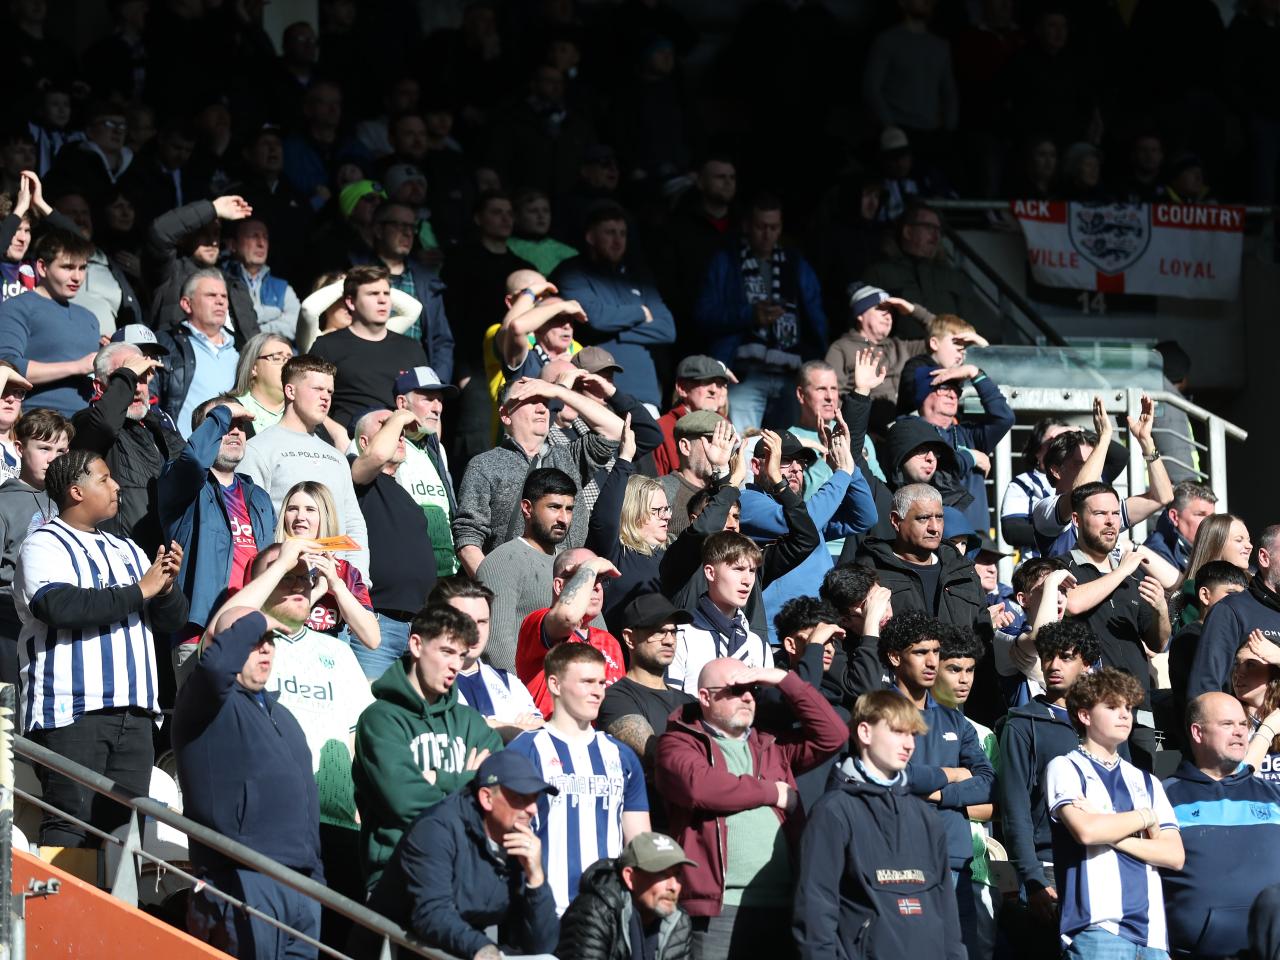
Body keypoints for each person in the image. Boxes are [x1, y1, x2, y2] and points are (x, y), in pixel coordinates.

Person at [16, 450, 188, 846]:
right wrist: (141, 589)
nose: (116, 486)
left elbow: (170, 620)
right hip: (72, 709)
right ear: (76, 491)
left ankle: (115, 907)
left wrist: (165, 588)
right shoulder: (43, 543)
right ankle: (60, 910)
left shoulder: (126, 548)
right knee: (71, 821)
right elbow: (59, 606)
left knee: (123, 834)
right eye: (105, 479)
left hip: (136, 712)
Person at [654, 656, 846, 958]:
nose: (746, 697)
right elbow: (700, 786)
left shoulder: (772, 745)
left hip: (784, 905)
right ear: (704, 697)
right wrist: (772, 793)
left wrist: (784, 679)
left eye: (753, 690)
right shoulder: (678, 742)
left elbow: (833, 735)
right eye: (735, 690)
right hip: (718, 910)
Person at [173, 606, 323, 960]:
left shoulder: (283, 716)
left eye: (270, 640)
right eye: (253, 640)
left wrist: (316, 878)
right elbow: (212, 669)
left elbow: (307, 805)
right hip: (239, 881)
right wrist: (259, 619)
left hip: (301, 886)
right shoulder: (204, 704)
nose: (266, 647)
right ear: (222, 645)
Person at [793, 690, 965, 960]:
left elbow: (947, 913)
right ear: (865, 732)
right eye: (898, 732)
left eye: (912, 734)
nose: (909, 744)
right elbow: (815, 912)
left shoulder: (926, 816)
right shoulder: (833, 812)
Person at [351, 604, 502, 893]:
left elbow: (501, 797)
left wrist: (440, 780)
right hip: (401, 874)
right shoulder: (380, 720)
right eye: (446, 651)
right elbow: (404, 802)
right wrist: (470, 781)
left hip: (469, 874)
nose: (456, 665)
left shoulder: (471, 723)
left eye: (461, 655)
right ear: (417, 645)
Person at [359, 751, 560, 960]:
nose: (533, 809)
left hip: (458, 949)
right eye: (520, 798)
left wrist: (535, 878)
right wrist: (483, 948)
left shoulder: (521, 843)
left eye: (535, 798)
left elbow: (542, 945)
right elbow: (431, 915)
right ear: (487, 798)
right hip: (397, 948)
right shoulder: (436, 829)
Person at [1045, 668, 1185, 958]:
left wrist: (1107, 827)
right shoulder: (1065, 767)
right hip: (1098, 930)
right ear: (1085, 716)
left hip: (1154, 937)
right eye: (1112, 707)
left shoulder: (1147, 781)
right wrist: (1145, 818)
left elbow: (1174, 856)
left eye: (1128, 708)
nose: (1125, 715)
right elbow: (1087, 832)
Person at [880, 611, 996, 960]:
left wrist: (938, 793)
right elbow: (893, 775)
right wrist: (953, 773)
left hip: (955, 861)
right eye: (920, 652)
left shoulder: (954, 719)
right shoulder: (878, 709)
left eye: (935, 652)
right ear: (895, 657)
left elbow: (988, 784)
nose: (932, 662)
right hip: (899, 858)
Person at [507, 642, 651, 915]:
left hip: (608, 910)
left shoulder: (622, 756)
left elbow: (639, 842)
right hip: (546, 909)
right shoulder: (525, 749)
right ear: (555, 684)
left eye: (601, 682)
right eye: (587, 682)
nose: (597, 691)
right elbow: (508, 834)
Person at [997, 619, 1102, 952]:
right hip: (1049, 870)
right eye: (1048, 656)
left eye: (1066, 657)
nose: (1054, 665)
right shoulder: (1022, 723)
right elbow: (1015, 809)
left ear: (1086, 663)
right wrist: (1033, 878)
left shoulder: (1106, 721)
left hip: (1102, 866)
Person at [158, 394, 275, 684]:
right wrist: (221, 413)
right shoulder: (182, 484)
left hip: (256, 634)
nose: (234, 431)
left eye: (240, 425)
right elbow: (195, 459)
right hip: (201, 633)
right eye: (225, 424)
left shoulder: (258, 496)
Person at [453, 374, 620, 576]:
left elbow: (615, 430)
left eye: (545, 401)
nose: (542, 408)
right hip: (513, 589)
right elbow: (468, 537)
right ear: (506, 414)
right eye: (531, 400)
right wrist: (495, 587)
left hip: (565, 587)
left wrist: (558, 391)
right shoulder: (484, 465)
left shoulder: (569, 457)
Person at [1160, 692, 1280, 960]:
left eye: (1243, 725)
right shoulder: (1163, 796)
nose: (1239, 733)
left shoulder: (1274, 795)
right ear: (1197, 732)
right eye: (1227, 724)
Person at [694, 194, 828, 434]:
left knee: (790, 450)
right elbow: (704, 314)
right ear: (747, 226)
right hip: (743, 373)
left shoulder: (794, 263)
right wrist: (749, 315)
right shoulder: (727, 261)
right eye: (761, 226)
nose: (767, 233)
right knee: (743, 448)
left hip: (789, 372)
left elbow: (815, 315)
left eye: (773, 227)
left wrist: (817, 355)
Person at [1062, 483, 1172, 768]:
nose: (1111, 521)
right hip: (1093, 708)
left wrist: (1160, 610)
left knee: (1143, 795)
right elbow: (1072, 603)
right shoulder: (1062, 567)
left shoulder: (1133, 581)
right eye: (1100, 513)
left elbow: (1157, 643)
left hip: (1139, 710)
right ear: (1076, 519)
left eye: (1115, 514)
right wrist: (1122, 569)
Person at [739, 420, 876, 644]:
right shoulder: (748, 501)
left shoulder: (806, 513)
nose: (796, 468)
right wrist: (841, 475)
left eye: (801, 462)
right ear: (756, 466)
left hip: (825, 628)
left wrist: (849, 465)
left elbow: (864, 517)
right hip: (779, 637)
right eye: (784, 460)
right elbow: (801, 524)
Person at [239, 355, 370, 577]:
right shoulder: (258, 449)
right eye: (317, 389)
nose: (325, 398)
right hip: (286, 583)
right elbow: (250, 525)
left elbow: (354, 524)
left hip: (338, 585)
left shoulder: (336, 457)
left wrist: (359, 580)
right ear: (290, 391)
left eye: (329, 391)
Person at [550, 201, 676, 412]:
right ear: (590, 237)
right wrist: (641, 313)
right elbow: (594, 318)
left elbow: (667, 329)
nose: (618, 240)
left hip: (644, 394)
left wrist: (615, 332)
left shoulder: (639, 275)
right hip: (594, 393)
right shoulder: (572, 272)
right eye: (610, 232)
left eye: (622, 233)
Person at [72, 339, 184, 555]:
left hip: (163, 558)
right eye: (124, 379)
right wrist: (128, 373)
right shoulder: (84, 421)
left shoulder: (159, 427)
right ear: (99, 386)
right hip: (114, 559)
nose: (136, 388)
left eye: (141, 378)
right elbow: (104, 426)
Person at [1032, 395, 1173, 559]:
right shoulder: (1044, 510)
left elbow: (1162, 497)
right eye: (1082, 464)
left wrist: (1146, 442)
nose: (1094, 469)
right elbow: (1080, 494)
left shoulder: (1106, 514)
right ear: (1056, 471)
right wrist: (1104, 436)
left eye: (1094, 461)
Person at [596, 593, 696, 811]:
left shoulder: (689, 702)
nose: (669, 640)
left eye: (673, 632)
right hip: (649, 825)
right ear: (630, 638)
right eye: (659, 631)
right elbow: (655, 752)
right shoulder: (615, 698)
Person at [855, 483, 990, 637]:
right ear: (895, 520)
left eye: (939, 517)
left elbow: (984, 640)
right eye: (923, 518)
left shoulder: (963, 571)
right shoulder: (870, 573)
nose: (934, 527)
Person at [476, 468, 579, 671]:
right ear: (527, 508)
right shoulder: (503, 561)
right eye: (554, 507)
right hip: (525, 693)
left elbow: (597, 634)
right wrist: (523, 698)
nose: (563, 519)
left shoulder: (573, 562)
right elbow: (497, 646)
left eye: (569, 509)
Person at [309, 265, 429, 429]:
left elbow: (428, 404)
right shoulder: (327, 346)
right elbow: (309, 402)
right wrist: (337, 434)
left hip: (403, 443)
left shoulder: (412, 348)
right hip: (347, 444)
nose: (383, 300)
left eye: (387, 294)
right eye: (373, 294)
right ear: (351, 302)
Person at [0, 409, 70, 686]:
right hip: (10, 622)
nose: (53, 458)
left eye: (61, 450)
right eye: (43, 448)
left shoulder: (69, 502)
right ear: (19, 448)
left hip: (61, 622)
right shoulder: (5, 503)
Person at [514, 548, 627, 717]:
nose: (596, 586)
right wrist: (593, 565)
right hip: (548, 738)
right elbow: (567, 617)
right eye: (587, 576)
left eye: (600, 579)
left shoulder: (610, 642)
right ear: (560, 586)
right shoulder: (536, 621)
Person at [428, 576, 543, 742]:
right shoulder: (422, 682)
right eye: (464, 621)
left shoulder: (509, 683)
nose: (475, 631)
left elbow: (540, 734)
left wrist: (490, 726)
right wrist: (513, 728)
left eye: (482, 622)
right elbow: (457, 730)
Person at [862, 202, 999, 339]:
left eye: (939, 230)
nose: (936, 235)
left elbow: (979, 326)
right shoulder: (880, 273)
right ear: (908, 232)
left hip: (945, 357)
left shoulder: (953, 277)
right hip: (899, 357)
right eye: (929, 227)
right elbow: (867, 327)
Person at [0, 228, 98, 418]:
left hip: (88, 426)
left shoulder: (89, 317)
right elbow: (7, 366)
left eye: (82, 268)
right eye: (68, 267)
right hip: (38, 427)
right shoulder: (17, 307)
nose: (77, 277)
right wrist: (76, 366)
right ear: (42, 267)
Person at [349, 200, 454, 370]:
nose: (407, 233)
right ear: (378, 230)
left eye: (411, 227)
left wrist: (437, 384)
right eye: (399, 225)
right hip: (368, 372)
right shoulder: (356, 274)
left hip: (417, 380)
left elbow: (441, 340)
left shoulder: (427, 280)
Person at [557, 831, 696, 960]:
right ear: (630, 877)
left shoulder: (679, 921)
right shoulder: (594, 913)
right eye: (662, 874)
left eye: (677, 874)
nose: (673, 886)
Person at [666, 532, 775, 696]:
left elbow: (767, 707)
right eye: (738, 569)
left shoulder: (757, 645)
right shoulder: (681, 637)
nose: (747, 580)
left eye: (752, 571)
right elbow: (668, 705)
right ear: (710, 573)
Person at [153, 268, 241, 437]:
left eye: (224, 296)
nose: (220, 302)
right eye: (211, 295)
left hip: (231, 453)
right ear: (187, 304)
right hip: (182, 452)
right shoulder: (166, 344)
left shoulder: (240, 348)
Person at [1167, 561, 1250, 739]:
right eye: (1231, 595)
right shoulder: (1190, 638)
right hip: (1206, 739)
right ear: (1205, 595)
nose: (1238, 604)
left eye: (1243, 598)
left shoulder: (1238, 637)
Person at [391, 366, 460, 577]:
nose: (437, 408)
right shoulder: (384, 441)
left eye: (439, 400)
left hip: (447, 571)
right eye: (428, 399)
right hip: (408, 570)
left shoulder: (437, 448)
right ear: (403, 403)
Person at [824, 284, 935, 406]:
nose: (887, 315)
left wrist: (913, 310)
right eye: (881, 308)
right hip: (864, 422)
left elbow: (948, 336)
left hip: (905, 422)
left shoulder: (900, 346)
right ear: (860, 315)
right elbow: (831, 397)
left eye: (891, 310)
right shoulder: (841, 348)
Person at [648, 355, 735, 478]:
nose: (714, 390)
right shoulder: (661, 429)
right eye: (706, 382)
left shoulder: (727, 427)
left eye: (720, 384)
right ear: (682, 388)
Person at [999, 417, 1073, 555]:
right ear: (1037, 451)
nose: (1057, 446)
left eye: (1062, 441)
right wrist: (1064, 530)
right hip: (1039, 569)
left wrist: (1079, 430)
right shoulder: (1024, 482)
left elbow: (1119, 456)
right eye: (1051, 441)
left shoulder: (1083, 478)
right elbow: (1012, 531)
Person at [224, 218, 301, 340]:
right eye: (253, 236)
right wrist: (275, 312)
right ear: (233, 245)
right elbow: (226, 323)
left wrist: (255, 332)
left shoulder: (282, 287)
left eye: (265, 237)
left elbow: (296, 325)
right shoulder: (221, 283)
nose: (261, 243)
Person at [1143, 480, 1218, 574]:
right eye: (1200, 514)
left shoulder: (1215, 550)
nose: (1211, 522)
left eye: (1212, 517)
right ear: (1174, 517)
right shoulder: (1156, 553)